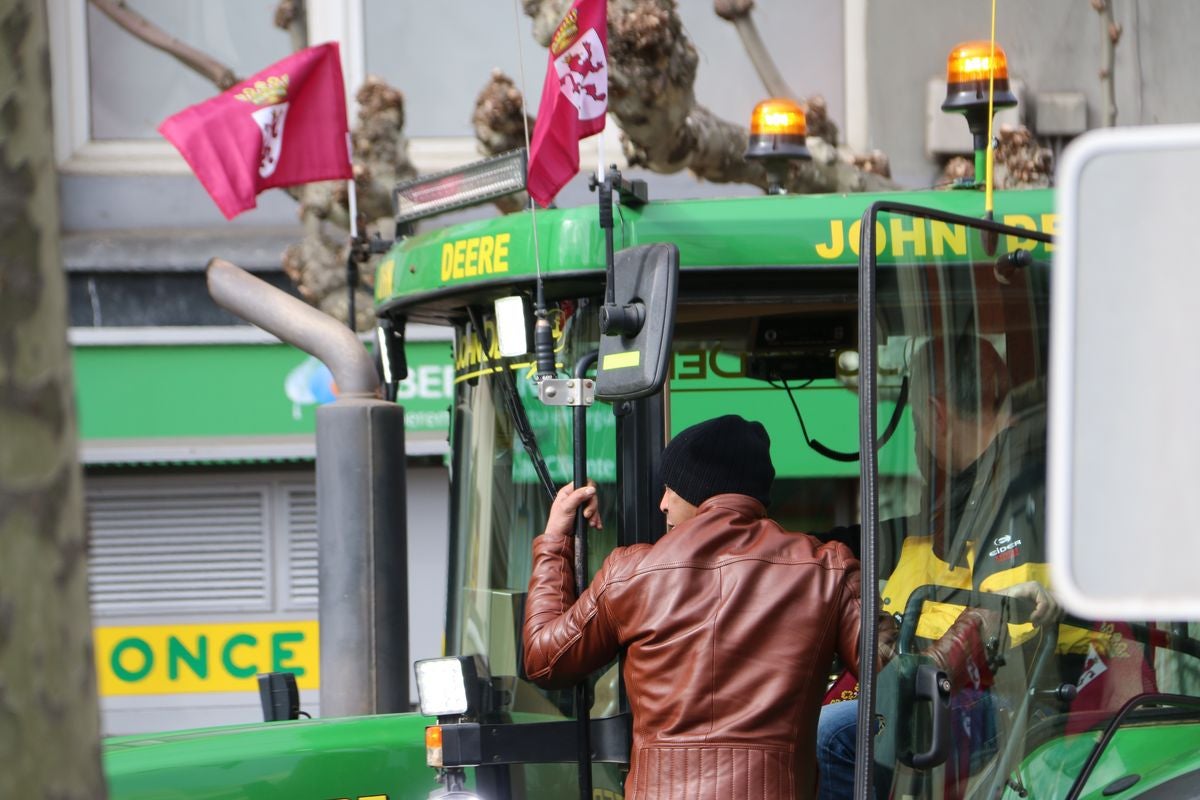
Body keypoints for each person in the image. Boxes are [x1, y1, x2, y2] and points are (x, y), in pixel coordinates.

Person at [523, 414, 863, 800]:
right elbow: (894, 672)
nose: (662, 504)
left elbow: (544, 658)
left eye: (670, 488)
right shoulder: (826, 570)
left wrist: (555, 541)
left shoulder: (632, 572)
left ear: (699, 490)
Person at [816, 334, 1062, 800]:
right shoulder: (976, 494)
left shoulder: (1015, 489)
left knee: (831, 735)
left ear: (936, 414)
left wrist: (908, 672)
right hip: (967, 690)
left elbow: (1002, 626)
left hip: (1007, 702)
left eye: (915, 423)